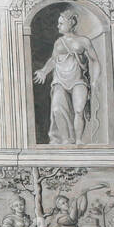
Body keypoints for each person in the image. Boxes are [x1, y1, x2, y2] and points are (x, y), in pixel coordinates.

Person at [33, 11, 99, 145]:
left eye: (61, 23)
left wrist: (95, 80)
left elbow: (95, 60)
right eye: (58, 23)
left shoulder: (84, 41)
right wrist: (44, 71)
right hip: (60, 80)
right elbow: (53, 59)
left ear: (71, 23)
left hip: (78, 80)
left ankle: (79, 140)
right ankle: (65, 140)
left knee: (79, 110)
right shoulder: (59, 42)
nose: (58, 26)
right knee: (57, 109)